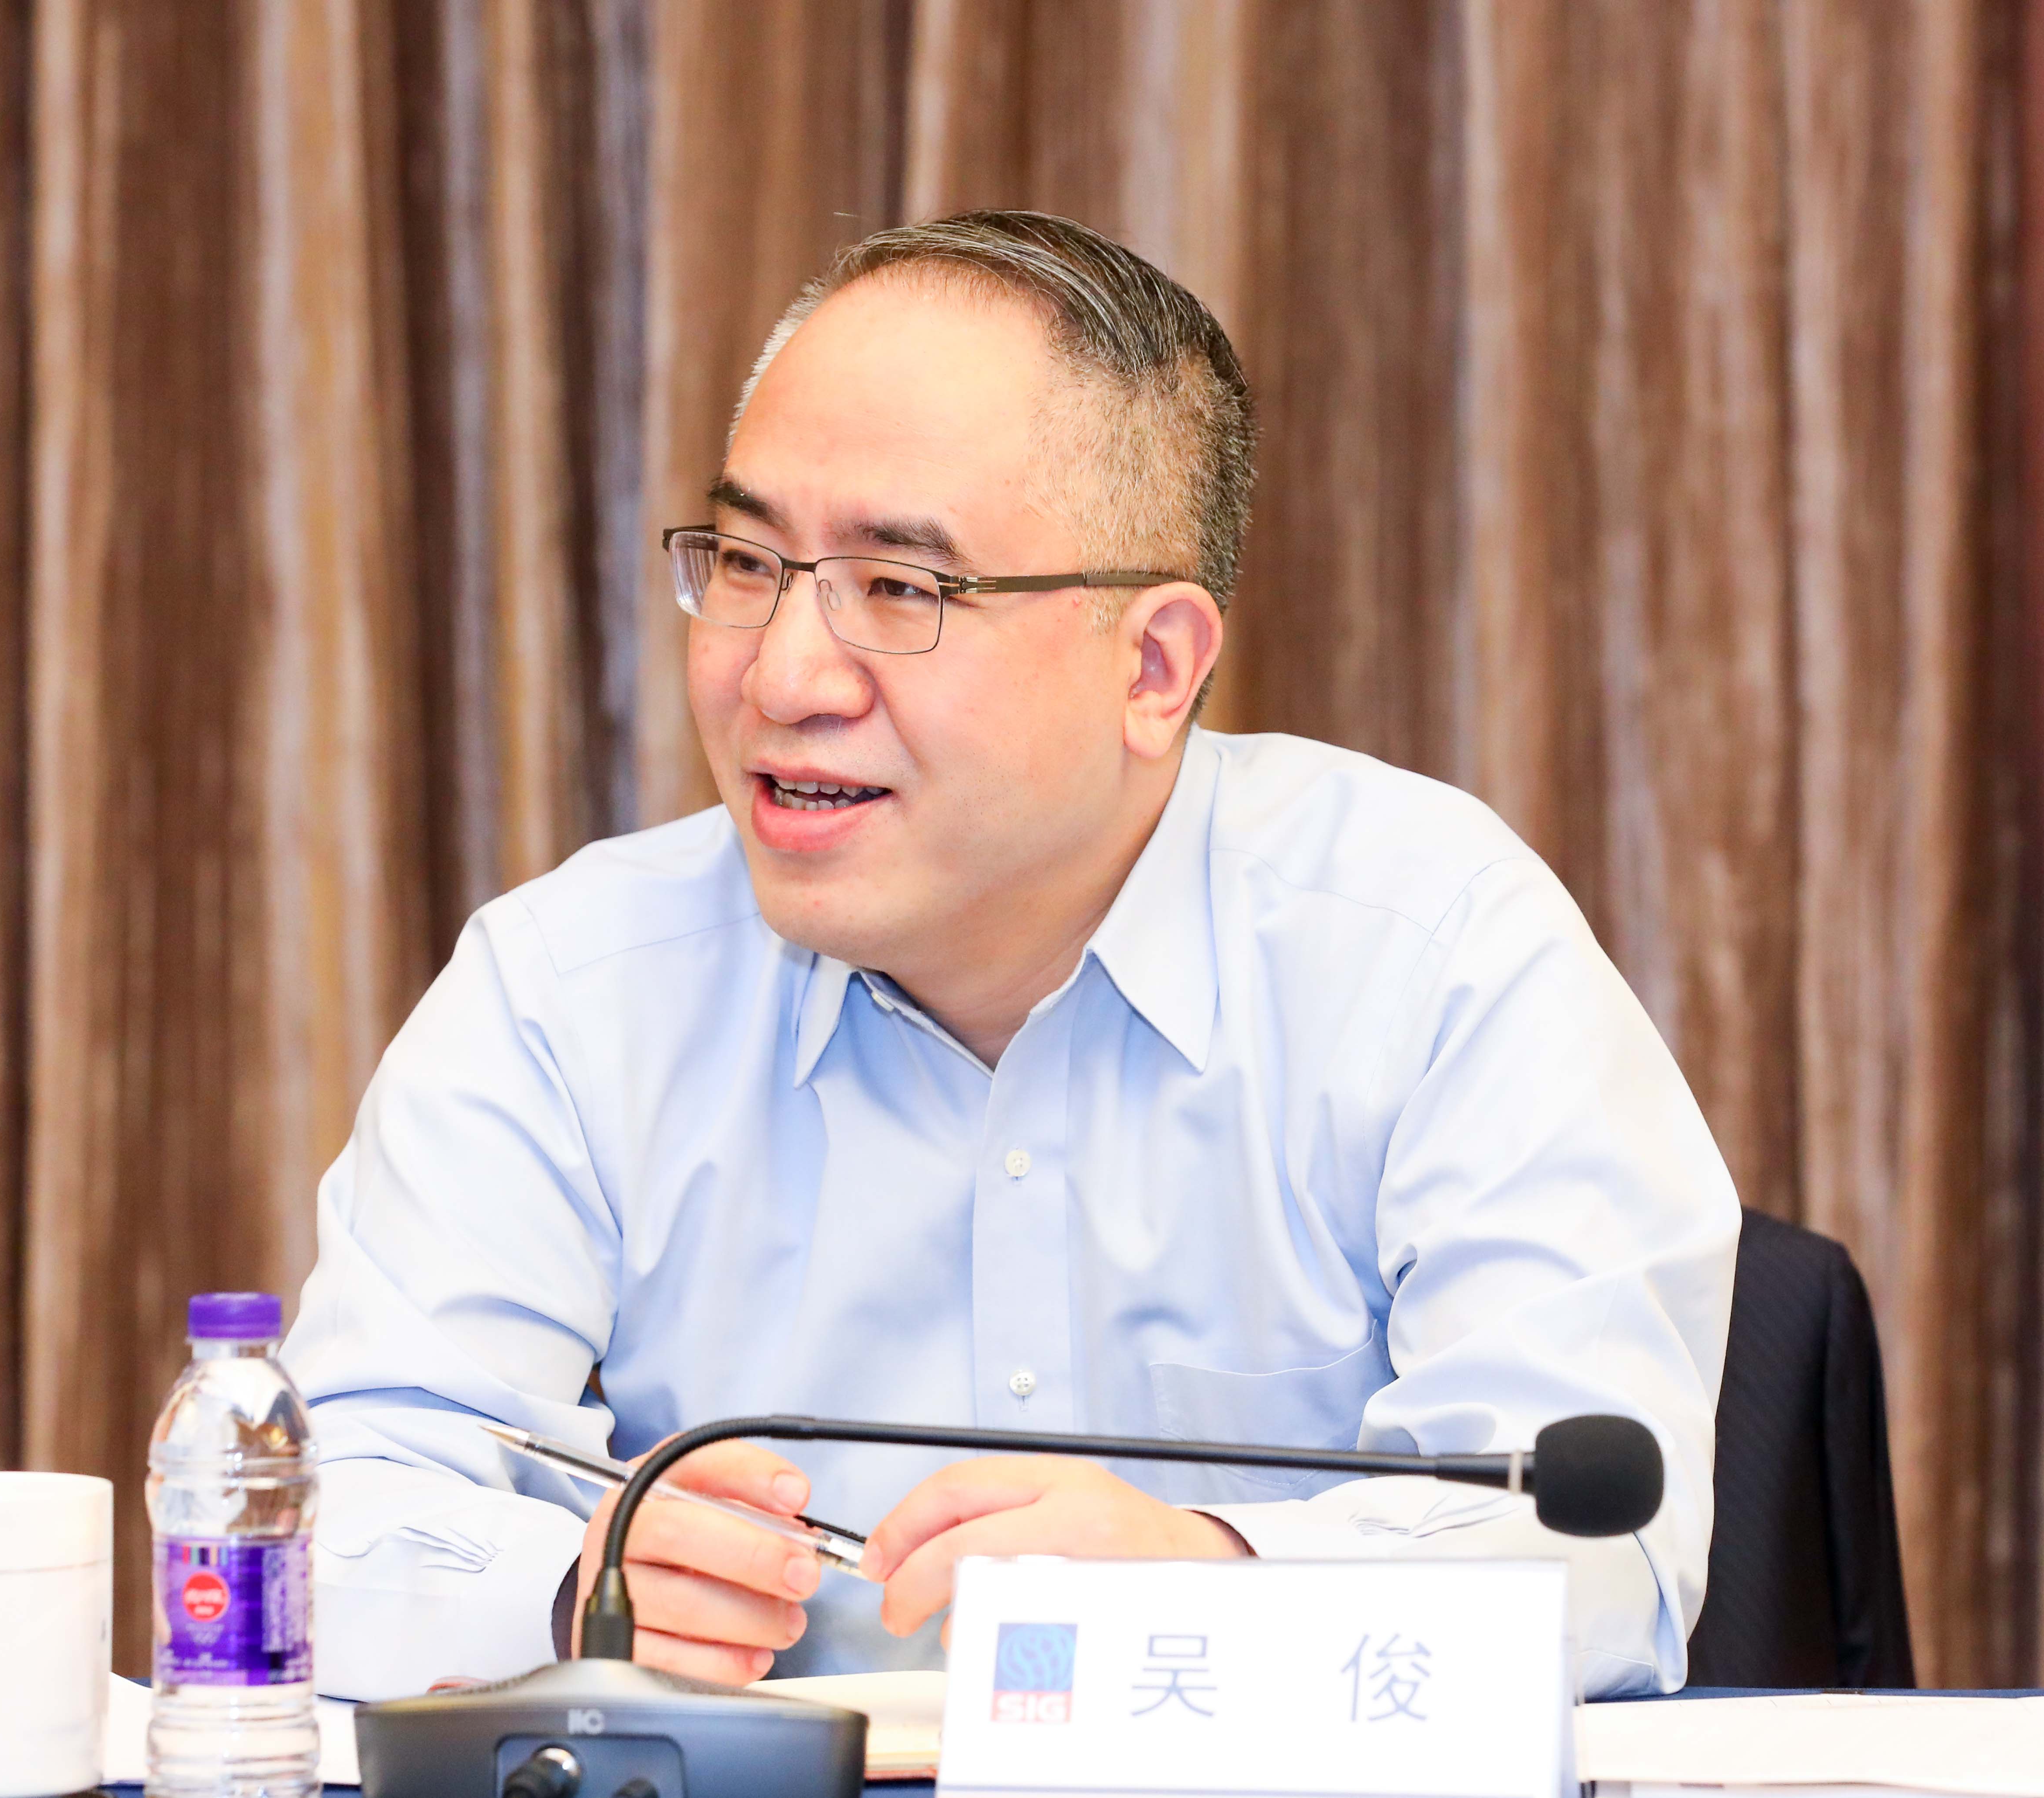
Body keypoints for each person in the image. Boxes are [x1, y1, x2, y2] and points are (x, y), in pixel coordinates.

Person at [283, 210, 1738, 1702]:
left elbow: (1604, 1548)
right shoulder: (569, 988)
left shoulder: (1432, 954)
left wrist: (1217, 1576)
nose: (783, 674)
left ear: (1154, 666)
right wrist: (568, 1591)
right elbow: (308, 1512)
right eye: (749, 561)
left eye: (901, 589)